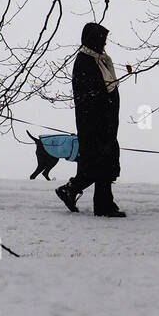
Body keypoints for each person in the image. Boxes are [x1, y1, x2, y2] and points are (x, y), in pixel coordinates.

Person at [55, 22, 125, 217]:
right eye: (101, 39)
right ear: (92, 39)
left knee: (104, 163)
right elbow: (90, 96)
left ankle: (99, 202)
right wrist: (105, 109)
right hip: (93, 125)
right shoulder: (85, 62)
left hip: (105, 124)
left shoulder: (101, 60)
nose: (104, 43)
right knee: (99, 164)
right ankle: (100, 204)